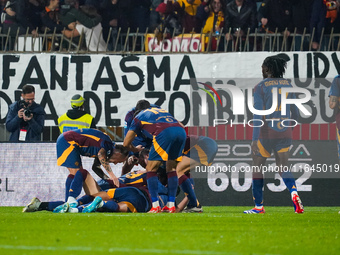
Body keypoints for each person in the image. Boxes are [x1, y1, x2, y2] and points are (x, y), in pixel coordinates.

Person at [244, 56, 304, 214]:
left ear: (267, 68)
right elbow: (296, 114)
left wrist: (254, 140)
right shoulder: (288, 85)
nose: (261, 70)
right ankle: (294, 193)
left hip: (266, 133)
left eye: (263, 67)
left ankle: (258, 207)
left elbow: (258, 116)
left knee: (257, 167)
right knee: (283, 167)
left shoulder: (260, 87)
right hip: (285, 132)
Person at [123, 99, 187, 213]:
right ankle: (171, 206)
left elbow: (126, 143)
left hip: (164, 133)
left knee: (150, 169)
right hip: (181, 132)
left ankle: (155, 206)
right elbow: (181, 124)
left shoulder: (137, 117)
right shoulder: (160, 110)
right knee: (171, 168)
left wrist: (135, 149)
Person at [53, 128, 129, 212]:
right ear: (118, 153)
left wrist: (108, 179)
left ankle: (68, 202)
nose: (115, 163)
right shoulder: (108, 145)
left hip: (68, 141)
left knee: (77, 174)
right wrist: (112, 175)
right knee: (76, 173)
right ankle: (68, 202)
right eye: (119, 161)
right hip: (68, 141)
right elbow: (100, 155)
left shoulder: (107, 148)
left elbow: (95, 167)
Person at [178, 135, 218, 213]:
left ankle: (194, 204)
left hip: (203, 144)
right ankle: (194, 204)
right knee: (182, 171)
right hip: (209, 143)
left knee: (178, 170)